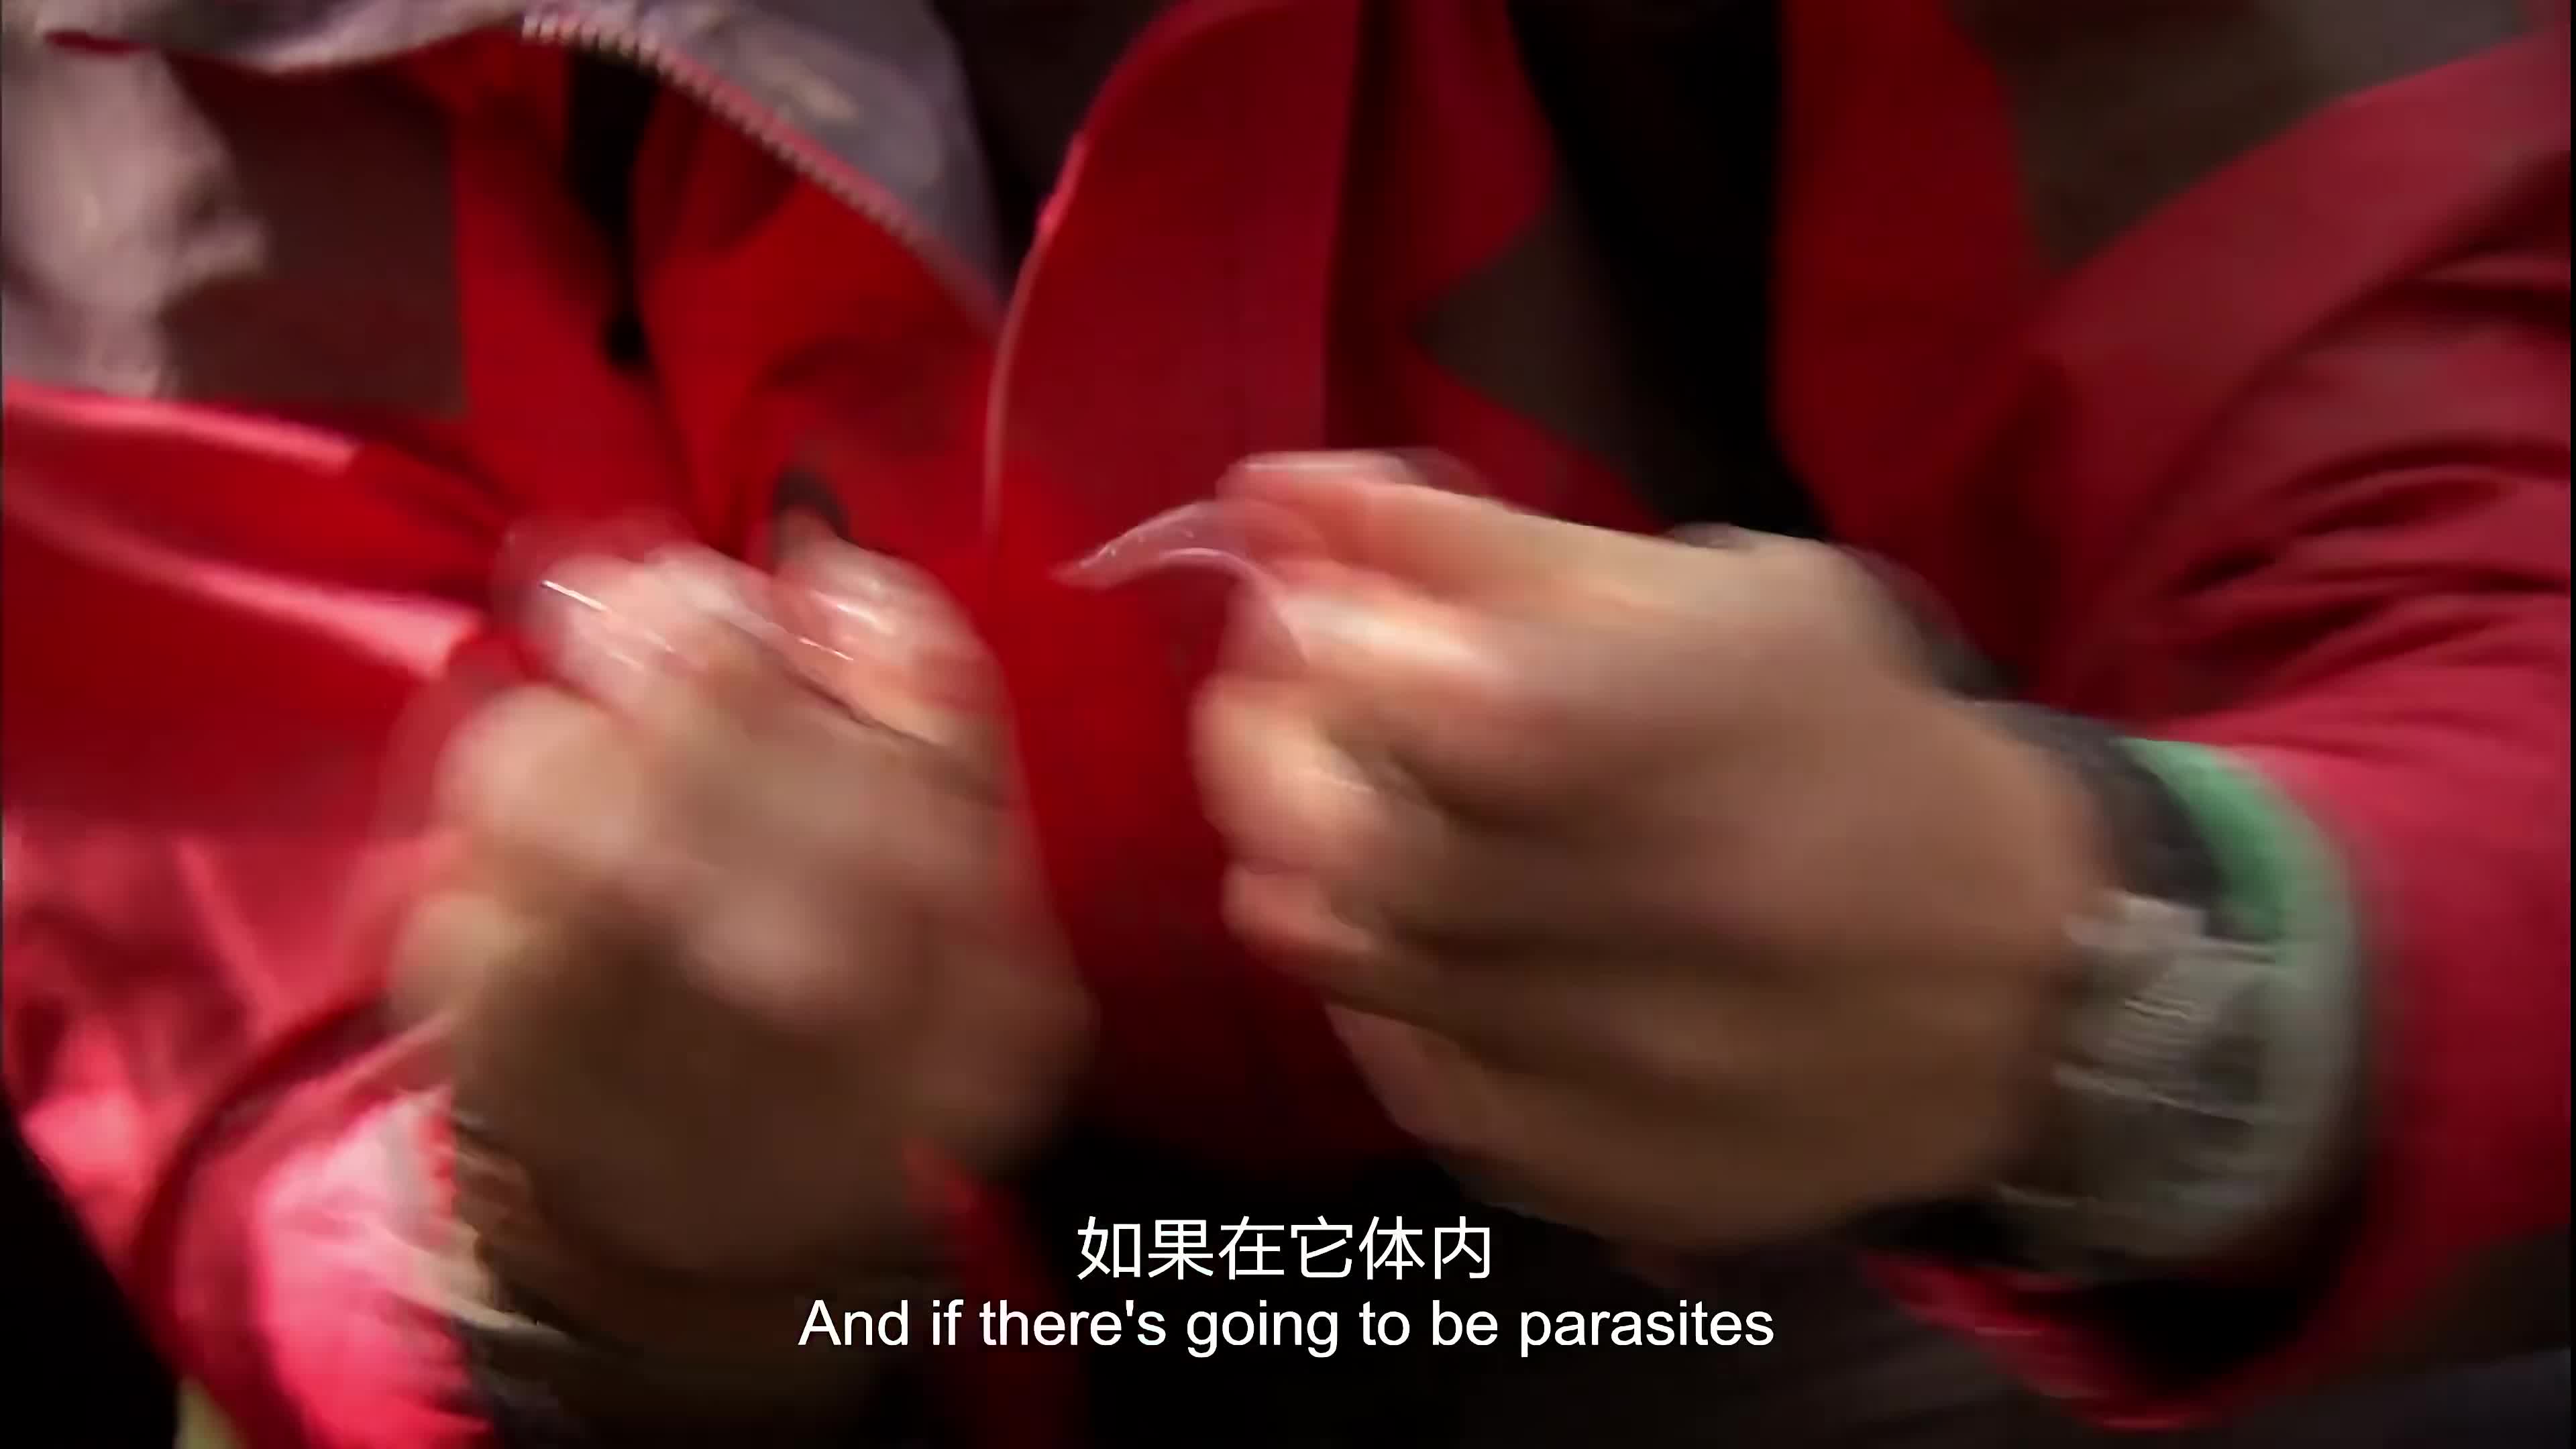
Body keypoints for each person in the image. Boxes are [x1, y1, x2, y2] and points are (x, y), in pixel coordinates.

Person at [3, 2, 2567, 1446]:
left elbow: (2496, 622)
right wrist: (599, 1234)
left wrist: (2111, 963)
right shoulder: (156, 79)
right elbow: (265, 1071)